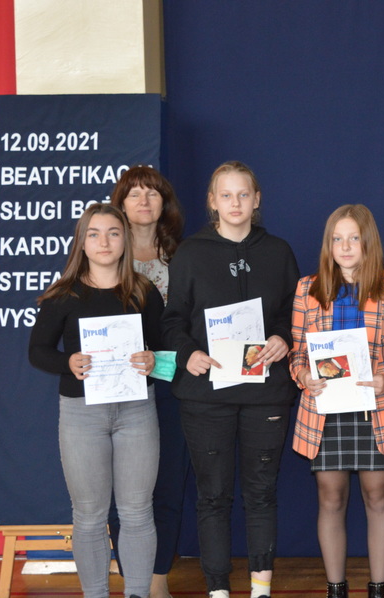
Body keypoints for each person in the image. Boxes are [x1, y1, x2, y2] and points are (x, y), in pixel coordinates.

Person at [161, 161, 300, 598]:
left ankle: (261, 589)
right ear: (212, 201)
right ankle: (218, 590)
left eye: (243, 194)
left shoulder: (278, 251)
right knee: (213, 495)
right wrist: (188, 353)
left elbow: (295, 314)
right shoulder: (190, 253)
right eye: (226, 195)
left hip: (266, 394)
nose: (235, 203)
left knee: (261, 493)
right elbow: (172, 319)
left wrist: (283, 338)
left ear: (257, 200)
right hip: (207, 395)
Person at [28, 203, 163, 598]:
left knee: (137, 511)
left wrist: (154, 359)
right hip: (81, 415)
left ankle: (137, 593)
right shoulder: (63, 295)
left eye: (113, 233)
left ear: (125, 241)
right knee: (89, 515)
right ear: (82, 243)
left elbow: (166, 348)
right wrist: (67, 362)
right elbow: (37, 351)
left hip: (137, 411)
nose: (104, 242)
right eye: (94, 234)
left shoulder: (144, 291)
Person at [290, 204, 384, 598]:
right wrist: (304, 377)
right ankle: (336, 588)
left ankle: (378, 588)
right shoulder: (307, 288)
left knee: (378, 496)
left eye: (354, 238)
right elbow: (297, 354)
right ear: (328, 244)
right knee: (330, 498)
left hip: (377, 409)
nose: (345, 247)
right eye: (337, 239)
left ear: (368, 242)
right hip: (325, 410)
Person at [109, 165, 188, 598]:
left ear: (165, 203)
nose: (143, 200)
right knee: (122, 491)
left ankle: (158, 580)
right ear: (120, 204)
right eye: (134, 193)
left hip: (173, 386)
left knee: (168, 483)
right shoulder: (104, 255)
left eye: (152, 193)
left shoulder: (185, 257)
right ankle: (132, 581)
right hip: (117, 389)